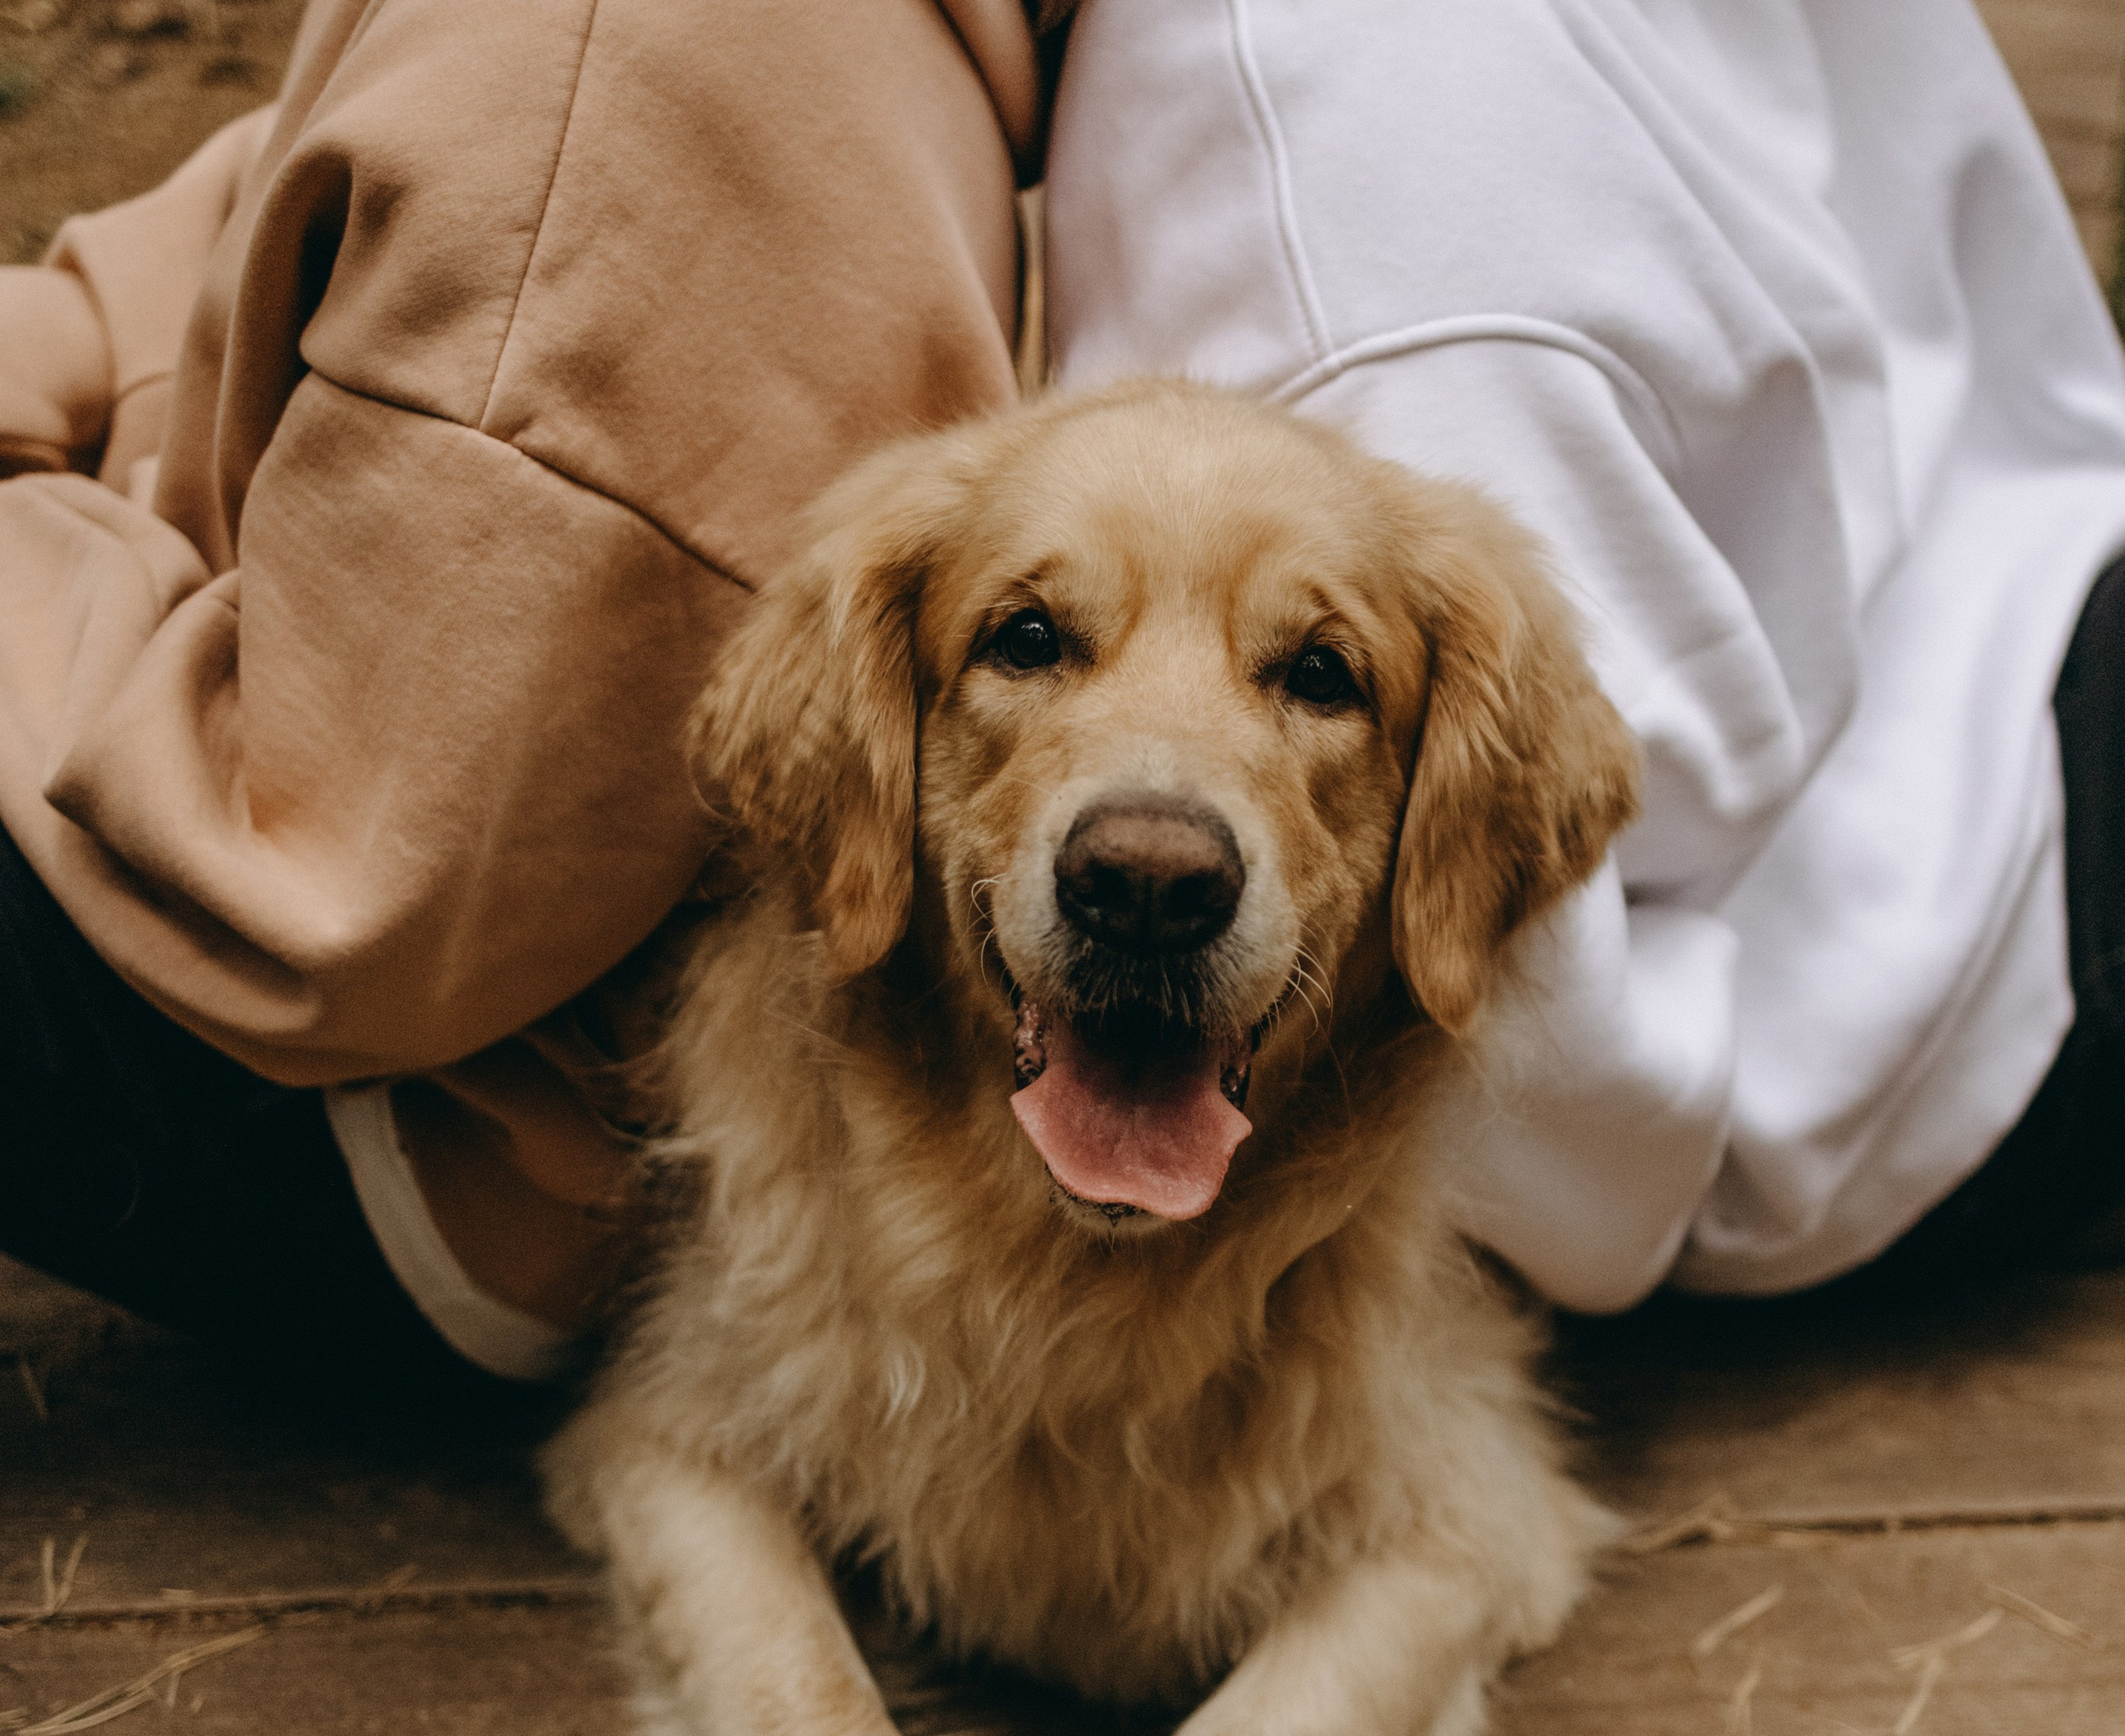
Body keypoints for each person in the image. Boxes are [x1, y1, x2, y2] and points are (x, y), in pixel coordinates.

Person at [2, 0, 2122, 1418]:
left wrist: (66, 535)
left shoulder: (1344, 228)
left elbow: (336, 916)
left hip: (443, 1160)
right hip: (1997, 585)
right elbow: (210, 228)